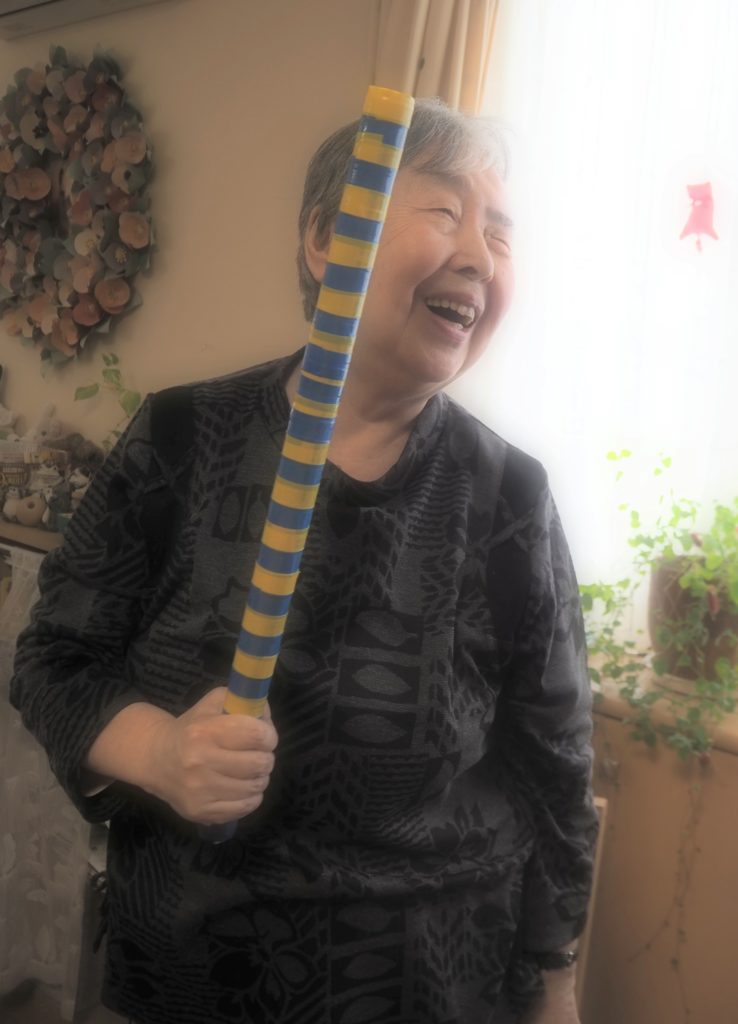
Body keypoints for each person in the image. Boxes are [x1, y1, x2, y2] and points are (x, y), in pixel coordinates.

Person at [10, 98, 597, 1024]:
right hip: (190, 973)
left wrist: (554, 984)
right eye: (446, 211)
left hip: (433, 983)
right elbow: (52, 662)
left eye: (501, 234)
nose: (481, 258)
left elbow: (554, 763)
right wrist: (160, 751)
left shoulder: (510, 495)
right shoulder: (181, 436)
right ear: (328, 239)